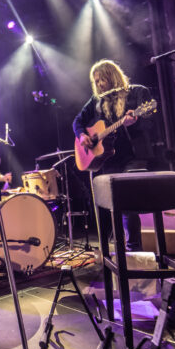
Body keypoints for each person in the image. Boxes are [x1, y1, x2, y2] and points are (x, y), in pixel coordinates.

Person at [72, 59, 153, 251]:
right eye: (96, 81)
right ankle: (117, 248)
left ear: (113, 76)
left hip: (134, 155)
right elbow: (77, 121)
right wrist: (82, 135)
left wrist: (136, 120)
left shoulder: (137, 92)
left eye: (102, 80)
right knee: (112, 204)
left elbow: (150, 119)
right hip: (109, 159)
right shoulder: (97, 101)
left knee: (126, 200)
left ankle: (134, 249)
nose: (99, 84)